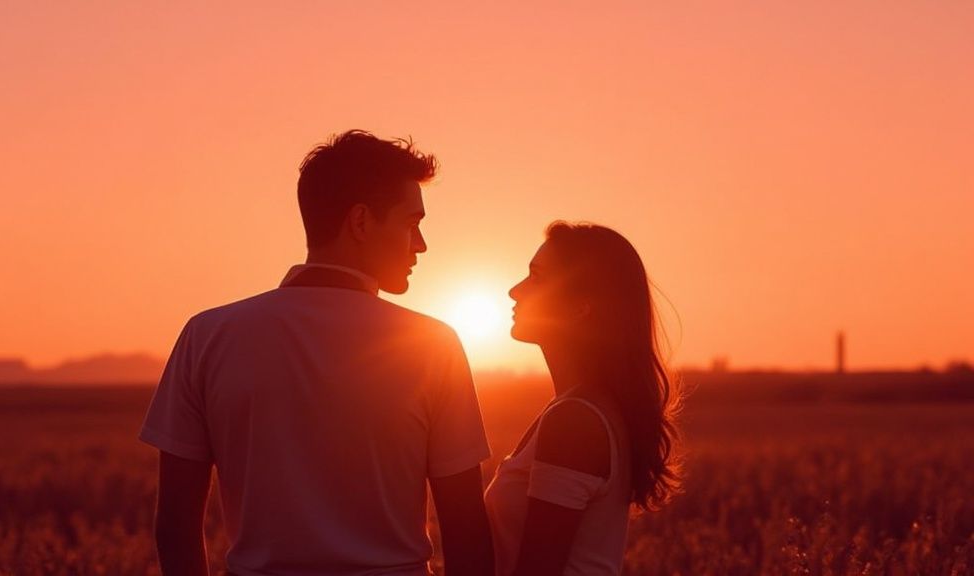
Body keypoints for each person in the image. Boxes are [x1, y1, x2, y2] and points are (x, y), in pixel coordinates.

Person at [139, 130, 495, 576]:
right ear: (361, 222)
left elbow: (174, 526)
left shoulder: (207, 336)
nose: (420, 244)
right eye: (411, 224)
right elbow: (466, 530)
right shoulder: (432, 347)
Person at [484, 222, 681, 576]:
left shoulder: (576, 420)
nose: (515, 291)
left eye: (536, 278)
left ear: (581, 307)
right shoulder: (578, 408)